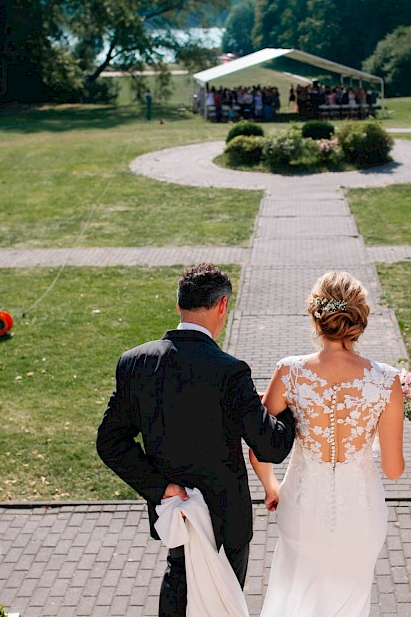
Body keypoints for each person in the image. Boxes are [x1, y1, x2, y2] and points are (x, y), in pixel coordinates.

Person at [96, 263, 297, 617]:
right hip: (226, 521)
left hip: (178, 515)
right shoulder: (230, 371)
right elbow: (271, 446)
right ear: (222, 306)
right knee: (222, 604)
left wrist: (160, 487)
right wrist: (288, 407)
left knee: (179, 582)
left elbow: (110, 443)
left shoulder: (134, 363)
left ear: (178, 305)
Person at [251, 270, 406, 617]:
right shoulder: (387, 380)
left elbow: (258, 443)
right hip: (361, 514)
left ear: (315, 317)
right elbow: (393, 470)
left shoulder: (289, 371)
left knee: (298, 596)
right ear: (360, 319)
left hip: (302, 506)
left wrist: (271, 486)